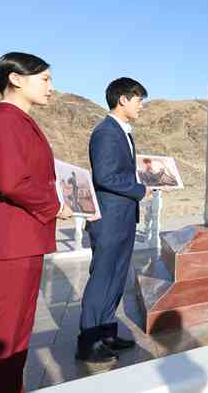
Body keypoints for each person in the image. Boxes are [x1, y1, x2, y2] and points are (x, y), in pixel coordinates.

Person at [0, 52, 73, 392]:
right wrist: (55, 206)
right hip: (7, 249)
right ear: (15, 78)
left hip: (22, 245)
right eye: (45, 79)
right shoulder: (4, 120)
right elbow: (12, 183)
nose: (51, 87)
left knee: (14, 343)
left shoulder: (18, 120)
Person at [78, 77, 148, 363]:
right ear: (123, 99)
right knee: (102, 279)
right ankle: (88, 343)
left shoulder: (124, 132)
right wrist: (141, 189)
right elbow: (105, 176)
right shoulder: (106, 132)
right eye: (139, 100)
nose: (141, 106)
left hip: (123, 218)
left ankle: (107, 333)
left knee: (117, 277)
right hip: (108, 219)